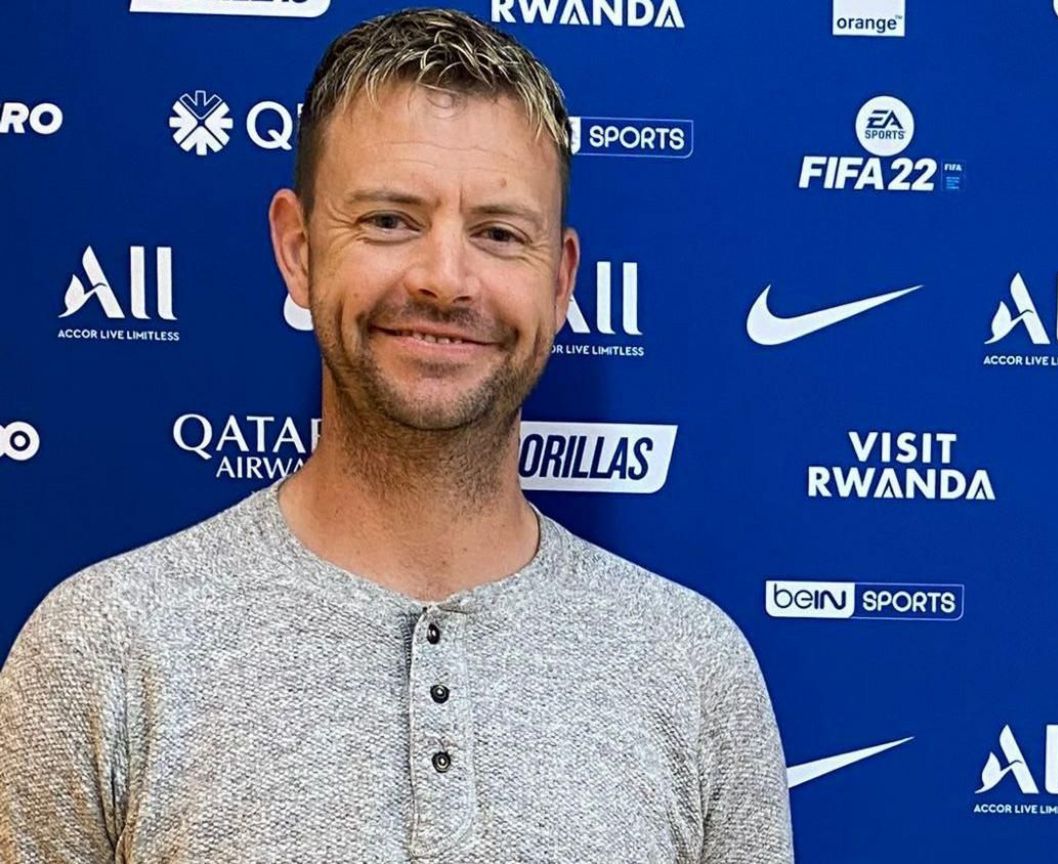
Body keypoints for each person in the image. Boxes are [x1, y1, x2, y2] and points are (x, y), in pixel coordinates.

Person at [0, 8, 794, 863]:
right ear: (298, 250)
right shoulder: (103, 648)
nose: (446, 280)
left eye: (497, 233)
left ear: (561, 279)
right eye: (388, 220)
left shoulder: (693, 667)